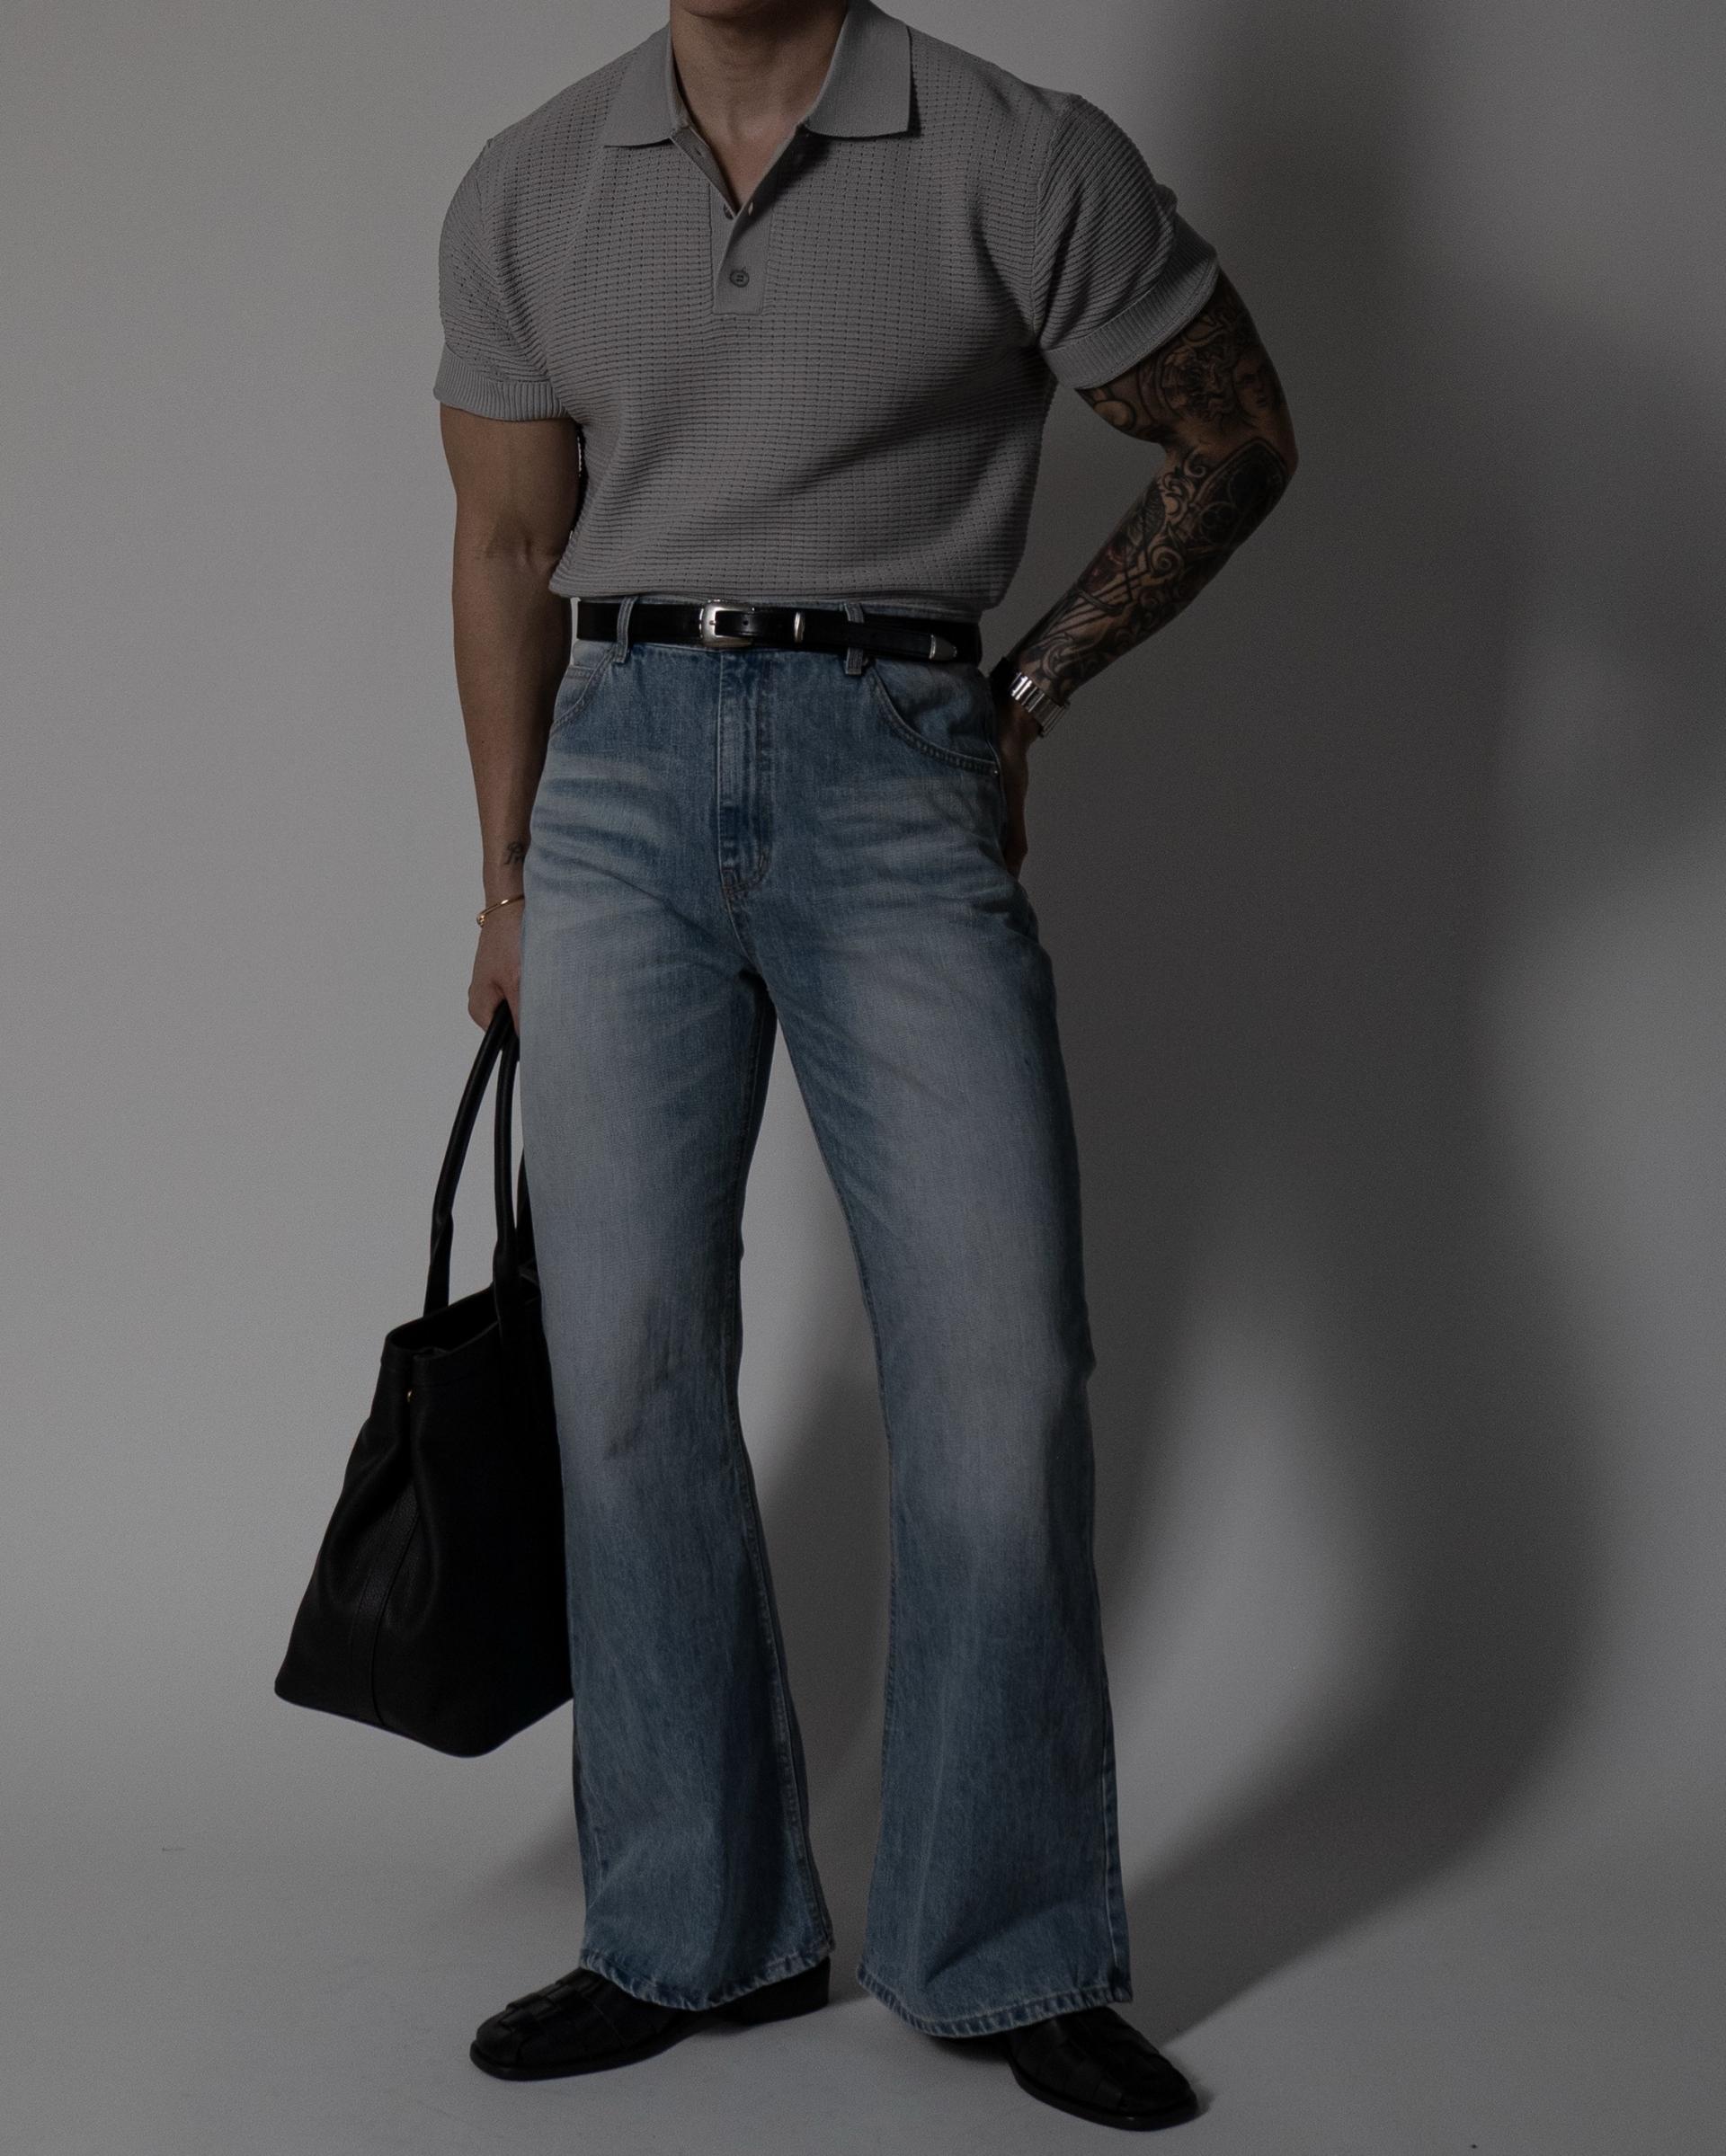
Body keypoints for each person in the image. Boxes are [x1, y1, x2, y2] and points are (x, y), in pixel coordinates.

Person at [433, 0, 1296, 2131]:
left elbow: (1236, 432)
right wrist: (505, 873)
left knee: (1000, 1376)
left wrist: (1030, 694)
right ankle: (689, 1929)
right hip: (616, 790)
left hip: (895, 760)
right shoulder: (532, 183)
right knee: (623, 1376)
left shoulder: (1016, 150)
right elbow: (511, 545)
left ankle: (1003, 1951)